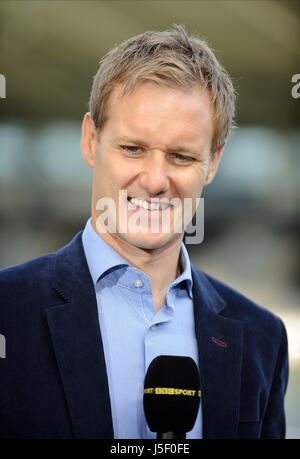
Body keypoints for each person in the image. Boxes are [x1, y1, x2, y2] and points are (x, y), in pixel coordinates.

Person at [0, 25, 288, 439]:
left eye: (180, 155)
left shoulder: (262, 339)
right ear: (90, 140)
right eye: (133, 148)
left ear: (213, 163)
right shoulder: (9, 311)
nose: (155, 180)